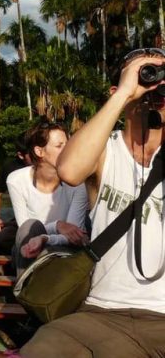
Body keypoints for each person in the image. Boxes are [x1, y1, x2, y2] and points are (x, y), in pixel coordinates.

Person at [21, 48, 165, 357]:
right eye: (145, 76)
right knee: (41, 350)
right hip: (102, 314)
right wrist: (126, 93)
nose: (154, 90)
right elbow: (70, 171)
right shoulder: (106, 151)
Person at [7, 121, 88, 274]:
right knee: (30, 227)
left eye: (68, 144)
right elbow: (26, 229)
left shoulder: (78, 183)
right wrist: (58, 225)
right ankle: (24, 288)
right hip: (28, 246)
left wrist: (46, 237)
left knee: (51, 254)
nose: (68, 150)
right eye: (59, 146)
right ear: (39, 151)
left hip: (63, 249)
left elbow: (74, 236)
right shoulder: (16, 180)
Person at [0, 132, 32, 254]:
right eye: (31, 154)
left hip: (51, 219)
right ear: (21, 155)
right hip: (21, 221)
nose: (39, 156)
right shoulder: (11, 168)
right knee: (0, 240)